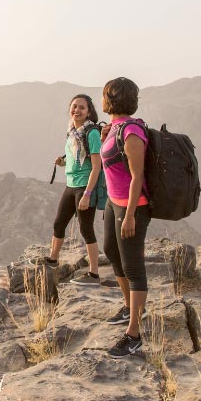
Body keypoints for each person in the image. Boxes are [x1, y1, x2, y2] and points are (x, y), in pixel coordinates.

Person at [99, 77, 151, 358]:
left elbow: (137, 175)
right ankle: (129, 305)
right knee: (111, 251)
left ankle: (134, 334)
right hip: (113, 202)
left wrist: (131, 215)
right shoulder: (116, 128)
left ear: (112, 98)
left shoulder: (131, 132)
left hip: (132, 206)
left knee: (133, 267)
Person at [35, 94, 103, 286]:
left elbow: (96, 166)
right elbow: (77, 157)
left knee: (86, 229)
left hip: (83, 187)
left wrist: (88, 194)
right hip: (71, 185)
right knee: (58, 224)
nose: (77, 110)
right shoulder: (72, 131)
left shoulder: (92, 133)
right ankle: (53, 260)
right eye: (74, 107)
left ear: (89, 111)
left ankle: (94, 274)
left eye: (82, 107)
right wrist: (63, 162)